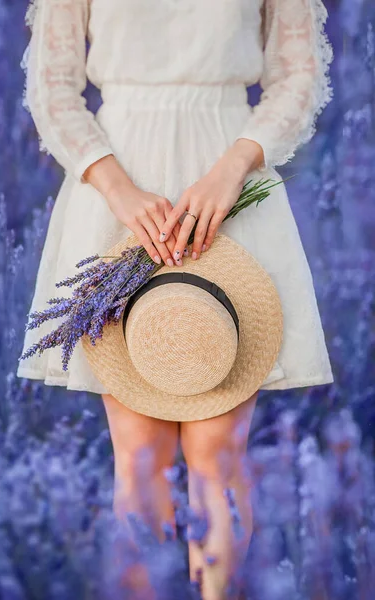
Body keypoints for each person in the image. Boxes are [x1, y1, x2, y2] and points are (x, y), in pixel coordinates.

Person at [17, 0, 334, 598]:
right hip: (117, 186)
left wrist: (235, 165)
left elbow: (298, 75)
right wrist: (119, 191)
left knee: (219, 449)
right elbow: (53, 87)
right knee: (140, 454)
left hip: (228, 182)